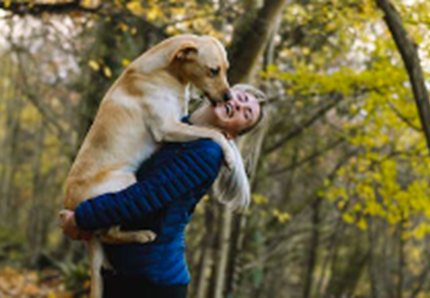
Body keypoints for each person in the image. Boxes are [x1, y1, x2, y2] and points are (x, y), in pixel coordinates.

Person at [61, 84, 267, 298]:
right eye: (241, 98)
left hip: (152, 283)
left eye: (246, 113)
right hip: (121, 271)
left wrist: (82, 218)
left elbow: (144, 197)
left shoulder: (207, 152)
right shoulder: (174, 128)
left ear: (231, 135)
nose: (238, 105)